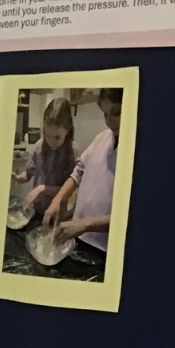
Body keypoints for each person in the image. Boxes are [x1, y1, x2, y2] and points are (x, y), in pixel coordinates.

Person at [42, 89, 123, 254]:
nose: (109, 122)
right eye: (105, 114)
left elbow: (130, 216)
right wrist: (57, 200)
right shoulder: (102, 137)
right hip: (78, 235)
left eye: (116, 113)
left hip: (104, 248)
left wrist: (86, 224)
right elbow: (78, 171)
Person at [15, 96, 75, 219]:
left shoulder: (73, 151)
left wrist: (43, 189)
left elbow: (69, 191)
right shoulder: (39, 146)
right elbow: (28, 174)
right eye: (47, 135)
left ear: (68, 131)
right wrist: (18, 178)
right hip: (37, 210)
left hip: (58, 215)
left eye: (57, 137)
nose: (51, 142)